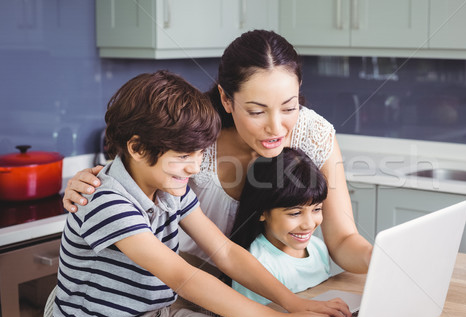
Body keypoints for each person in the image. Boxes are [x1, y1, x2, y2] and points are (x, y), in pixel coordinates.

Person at [53, 71, 351, 317]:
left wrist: (294, 304)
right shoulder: (106, 201)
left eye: (198, 154)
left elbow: (226, 252)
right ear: (138, 148)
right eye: (184, 156)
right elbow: (183, 277)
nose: (194, 167)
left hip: (164, 316)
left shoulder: (169, 188)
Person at [63, 29, 372, 276]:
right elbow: (134, 172)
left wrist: (383, 261)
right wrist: (92, 180)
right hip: (190, 289)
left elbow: (343, 241)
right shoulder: (193, 139)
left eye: (289, 107)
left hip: (275, 284)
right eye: (256, 112)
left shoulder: (314, 135)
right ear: (226, 99)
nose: (276, 128)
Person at [230, 148, 330, 304]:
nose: (309, 224)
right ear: (262, 211)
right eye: (295, 213)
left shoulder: (319, 249)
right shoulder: (257, 264)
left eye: (316, 209)